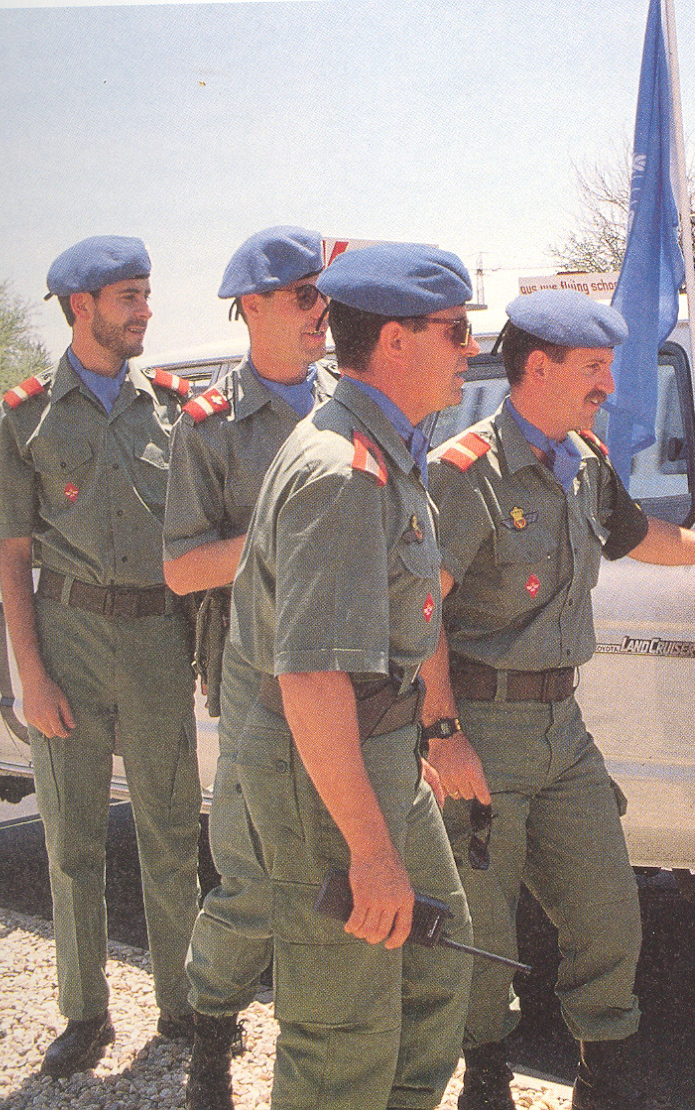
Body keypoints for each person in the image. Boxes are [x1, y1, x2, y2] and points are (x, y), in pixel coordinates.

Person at [420, 288, 695, 1110]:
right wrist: (442, 733)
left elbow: (640, 538)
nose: (609, 387)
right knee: (481, 930)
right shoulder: (465, 475)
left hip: (563, 729)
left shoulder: (582, 462)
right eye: (594, 369)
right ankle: (484, 1076)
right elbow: (420, 618)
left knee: (608, 914)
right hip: (481, 729)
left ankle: (607, 1083)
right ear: (540, 367)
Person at [223, 242, 479, 1110]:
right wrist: (370, 852)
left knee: (436, 967)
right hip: (323, 764)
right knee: (344, 1024)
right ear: (397, 342)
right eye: (456, 329)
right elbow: (311, 682)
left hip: (380, 748)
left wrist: (431, 735)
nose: (472, 347)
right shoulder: (343, 471)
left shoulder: (387, 448)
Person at [0, 235, 203, 1076]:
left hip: (155, 641)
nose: (145, 311)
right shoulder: (26, 414)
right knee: (72, 840)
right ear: (82, 307)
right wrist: (30, 679)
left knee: (171, 833)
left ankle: (182, 1006)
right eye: (129, 298)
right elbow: (12, 559)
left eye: (146, 295)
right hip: (67, 642)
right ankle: (85, 1014)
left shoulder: (178, 407)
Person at [163, 225, 334, 1109]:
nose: (322, 313)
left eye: (325, 296)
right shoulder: (208, 425)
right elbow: (184, 568)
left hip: (356, 671)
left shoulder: (350, 398)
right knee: (253, 873)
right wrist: (279, 537)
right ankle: (212, 1031)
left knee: (349, 858)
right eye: (304, 297)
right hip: (258, 670)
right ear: (255, 308)